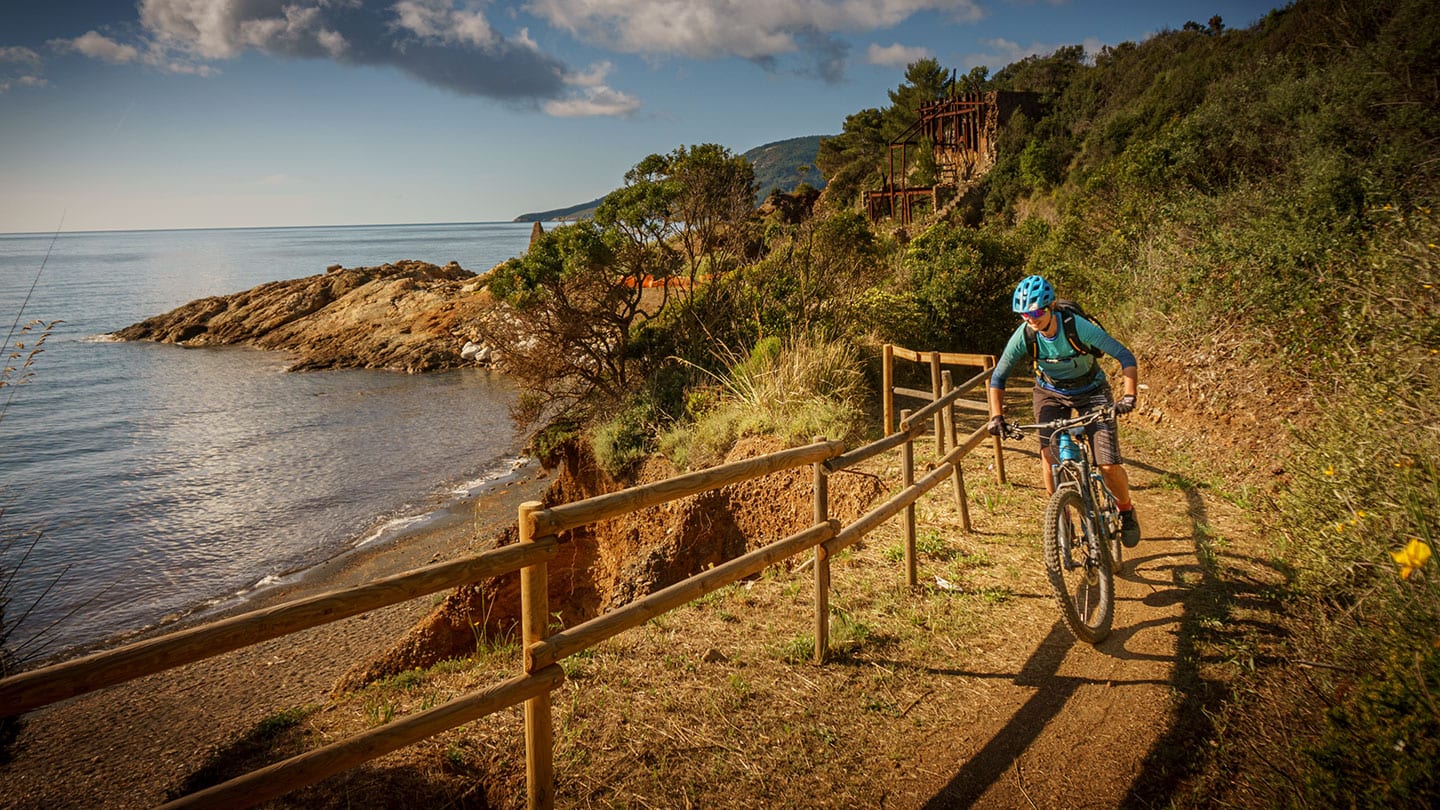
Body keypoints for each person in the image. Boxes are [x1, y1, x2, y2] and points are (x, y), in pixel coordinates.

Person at [985, 274, 1142, 547]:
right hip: (1050, 393)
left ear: (1051, 306)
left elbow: (1125, 357)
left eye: (1036, 311)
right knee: (1050, 459)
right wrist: (996, 417)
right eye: (1024, 314)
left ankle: (1126, 509)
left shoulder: (1077, 327)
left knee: (1107, 464)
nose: (1031, 318)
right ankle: (1062, 519)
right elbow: (999, 377)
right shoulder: (1025, 334)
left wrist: (1129, 396)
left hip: (1092, 391)